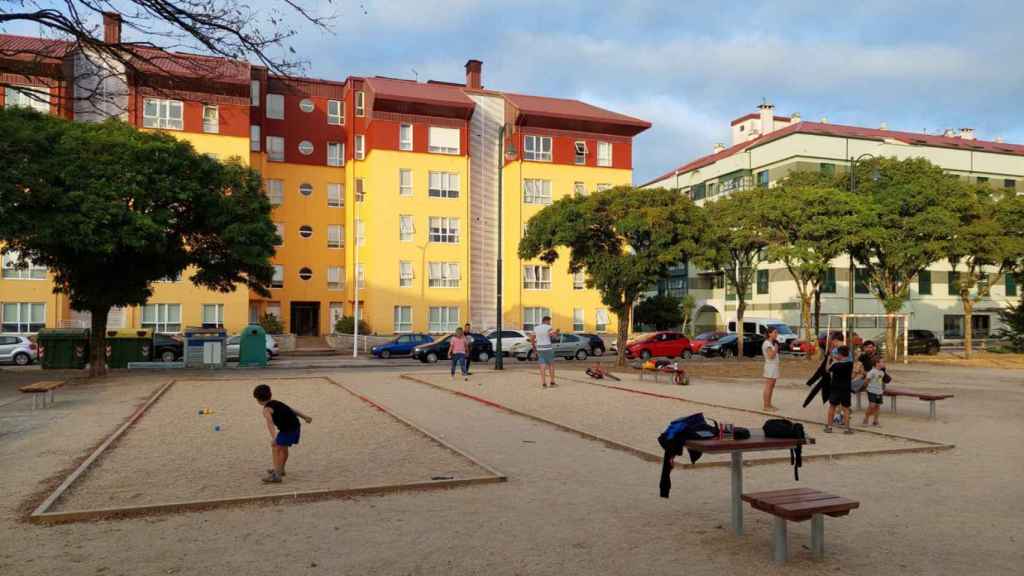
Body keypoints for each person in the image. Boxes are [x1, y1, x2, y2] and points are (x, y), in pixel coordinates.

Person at [253, 384, 312, 483]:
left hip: (288, 430)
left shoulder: (266, 410)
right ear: (270, 395)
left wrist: (274, 437)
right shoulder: (277, 402)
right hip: (295, 426)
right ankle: (281, 469)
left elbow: (270, 423)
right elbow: (292, 410)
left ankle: (276, 475)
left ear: (258, 400)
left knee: (275, 447)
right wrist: (305, 417)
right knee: (283, 448)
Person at [825, 345, 854, 434]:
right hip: (846, 388)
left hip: (835, 388)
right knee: (846, 409)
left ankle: (829, 427)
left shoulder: (836, 365)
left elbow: (827, 369)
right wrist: (836, 359)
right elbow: (843, 361)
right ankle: (846, 428)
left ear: (840, 354)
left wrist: (829, 359)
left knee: (832, 407)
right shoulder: (850, 364)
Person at [529, 315, 559, 388]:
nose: (550, 323)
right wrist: (557, 332)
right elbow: (555, 337)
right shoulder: (549, 328)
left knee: (542, 365)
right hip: (548, 348)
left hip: (540, 348)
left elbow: (532, 339)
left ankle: (544, 383)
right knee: (551, 365)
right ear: (547, 321)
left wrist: (534, 349)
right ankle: (552, 382)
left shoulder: (536, 328)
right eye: (549, 321)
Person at [862, 356, 887, 426]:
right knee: (872, 405)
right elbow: (866, 381)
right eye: (882, 362)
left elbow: (881, 382)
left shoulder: (882, 372)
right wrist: (866, 388)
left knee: (878, 406)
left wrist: (882, 389)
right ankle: (866, 419)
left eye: (884, 362)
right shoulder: (872, 372)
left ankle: (875, 421)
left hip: (879, 392)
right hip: (871, 391)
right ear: (877, 363)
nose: (884, 363)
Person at [762, 327, 780, 411]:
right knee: (768, 386)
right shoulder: (767, 343)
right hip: (770, 367)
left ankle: (769, 404)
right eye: (775, 332)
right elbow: (771, 356)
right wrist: (776, 349)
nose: (776, 334)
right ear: (770, 333)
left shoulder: (772, 343)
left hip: (774, 367)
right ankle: (766, 406)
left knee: (772, 386)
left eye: (777, 333)